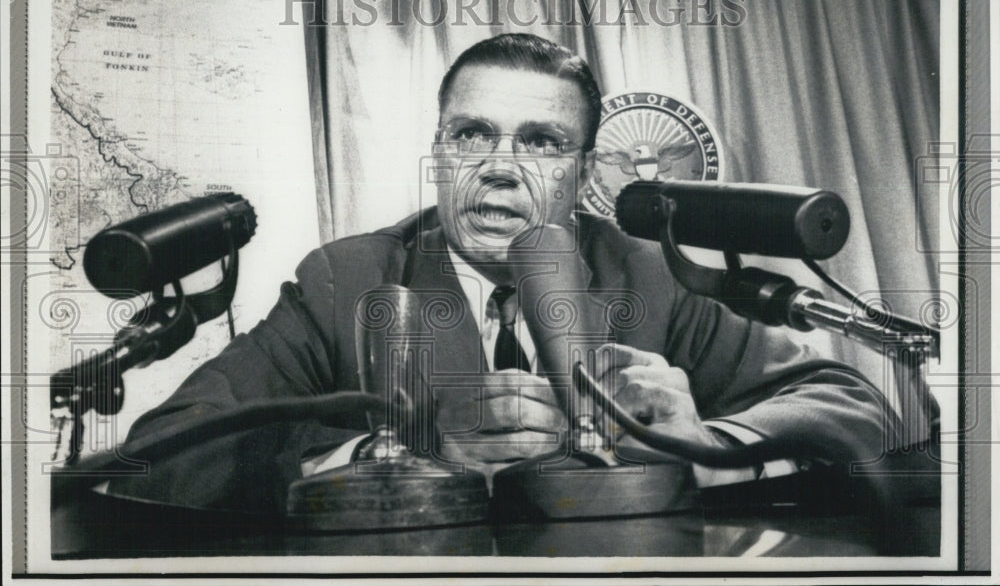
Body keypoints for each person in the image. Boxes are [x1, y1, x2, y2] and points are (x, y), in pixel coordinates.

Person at [110, 33, 895, 513]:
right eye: (470, 134)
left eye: (543, 142)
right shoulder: (346, 279)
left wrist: (707, 445)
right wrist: (396, 458)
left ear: (584, 167)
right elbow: (159, 453)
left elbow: (855, 408)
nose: (498, 169)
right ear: (440, 149)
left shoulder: (653, 275)